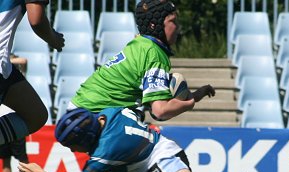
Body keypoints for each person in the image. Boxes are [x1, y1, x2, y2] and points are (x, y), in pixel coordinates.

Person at [18, 107, 226, 172]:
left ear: (86, 138)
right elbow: (138, 112)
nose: (72, 150)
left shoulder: (105, 151)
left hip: (162, 159)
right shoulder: (110, 112)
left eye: (73, 145)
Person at [68, 0, 215, 122]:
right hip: (88, 118)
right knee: (165, 150)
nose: (178, 27)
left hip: (79, 112)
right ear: (154, 25)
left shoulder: (141, 43)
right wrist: (190, 103)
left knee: (138, 119)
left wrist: (196, 94)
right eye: (173, 21)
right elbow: (160, 111)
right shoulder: (154, 54)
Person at [0, 0, 65, 145]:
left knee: (35, 115)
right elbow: (37, 20)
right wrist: (54, 39)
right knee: (34, 117)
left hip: (5, 70)